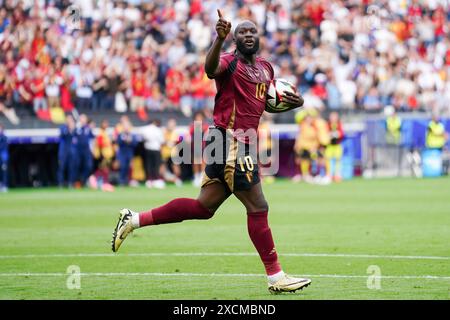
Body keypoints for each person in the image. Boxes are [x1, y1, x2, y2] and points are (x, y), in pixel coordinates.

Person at [111, 12, 309, 294]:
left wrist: (294, 101)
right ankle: (276, 277)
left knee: (203, 207)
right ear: (235, 39)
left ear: (259, 37)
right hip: (230, 141)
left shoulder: (266, 68)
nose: (248, 35)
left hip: (239, 142)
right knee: (258, 207)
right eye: (242, 32)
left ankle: (135, 219)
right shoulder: (228, 61)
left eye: (252, 31)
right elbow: (209, 68)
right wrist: (219, 38)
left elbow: (264, 103)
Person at [140, 119, 165, 189]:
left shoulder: (145, 129)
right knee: (156, 165)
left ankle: (149, 180)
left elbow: (142, 138)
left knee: (149, 165)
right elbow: (162, 141)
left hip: (147, 149)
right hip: (156, 149)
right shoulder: (158, 130)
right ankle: (155, 180)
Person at [57, 115, 77, 187]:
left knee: (71, 167)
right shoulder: (63, 127)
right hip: (63, 151)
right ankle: (60, 183)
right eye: (68, 119)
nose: (69, 120)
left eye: (71, 119)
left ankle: (70, 183)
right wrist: (69, 129)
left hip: (71, 151)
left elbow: (76, 137)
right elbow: (62, 135)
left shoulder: (74, 128)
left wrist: (72, 129)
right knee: (61, 167)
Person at [117, 119, 137, 186]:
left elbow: (135, 144)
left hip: (129, 154)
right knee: (123, 167)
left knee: (129, 168)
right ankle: (121, 181)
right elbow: (118, 142)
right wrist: (124, 141)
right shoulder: (121, 134)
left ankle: (127, 181)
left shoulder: (132, 135)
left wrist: (130, 141)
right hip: (122, 154)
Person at [325, 112, 344, 182]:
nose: (333, 118)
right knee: (327, 160)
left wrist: (338, 134)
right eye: (332, 117)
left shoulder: (339, 124)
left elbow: (342, 133)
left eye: (334, 117)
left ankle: (337, 175)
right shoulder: (327, 124)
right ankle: (328, 174)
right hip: (329, 145)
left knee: (338, 160)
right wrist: (329, 135)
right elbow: (325, 133)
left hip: (337, 145)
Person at [76, 114, 94, 186]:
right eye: (82, 119)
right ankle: (77, 182)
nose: (83, 120)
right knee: (78, 166)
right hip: (78, 151)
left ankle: (84, 180)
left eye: (84, 119)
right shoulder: (77, 128)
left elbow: (92, 139)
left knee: (89, 166)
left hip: (87, 151)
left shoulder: (88, 128)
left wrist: (92, 149)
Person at [0, 124, 8, 192]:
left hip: (3, 157)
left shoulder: (4, 137)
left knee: (4, 171)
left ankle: (4, 185)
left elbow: (3, 148)